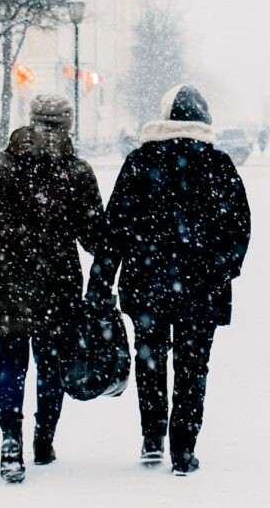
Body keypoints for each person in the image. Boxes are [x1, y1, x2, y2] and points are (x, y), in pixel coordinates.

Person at [87, 84, 251, 476]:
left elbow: (115, 227)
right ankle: (184, 449)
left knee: (150, 360)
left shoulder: (140, 161)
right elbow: (239, 227)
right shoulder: (218, 164)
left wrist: (101, 281)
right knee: (193, 367)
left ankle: (152, 437)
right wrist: (221, 268)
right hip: (200, 288)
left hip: (147, 284)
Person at [0, 95, 104, 484]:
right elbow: (93, 237)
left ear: (31, 120)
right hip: (57, 284)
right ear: (68, 125)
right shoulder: (77, 172)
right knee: (52, 366)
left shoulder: (2, 165)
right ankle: (44, 439)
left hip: (4, 282)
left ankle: (10, 442)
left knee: (11, 366)